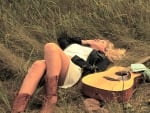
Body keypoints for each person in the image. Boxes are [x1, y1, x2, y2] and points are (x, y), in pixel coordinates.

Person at [11, 33, 126, 113]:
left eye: (102, 42)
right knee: (38, 64)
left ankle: (51, 98)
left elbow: (95, 71)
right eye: (97, 39)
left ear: (104, 49)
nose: (97, 39)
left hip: (72, 71)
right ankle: (17, 109)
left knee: (50, 46)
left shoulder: (101, 56)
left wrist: (74, 59)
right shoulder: (78, 46)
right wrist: (85, 41)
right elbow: (63, 38)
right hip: (55, 67)